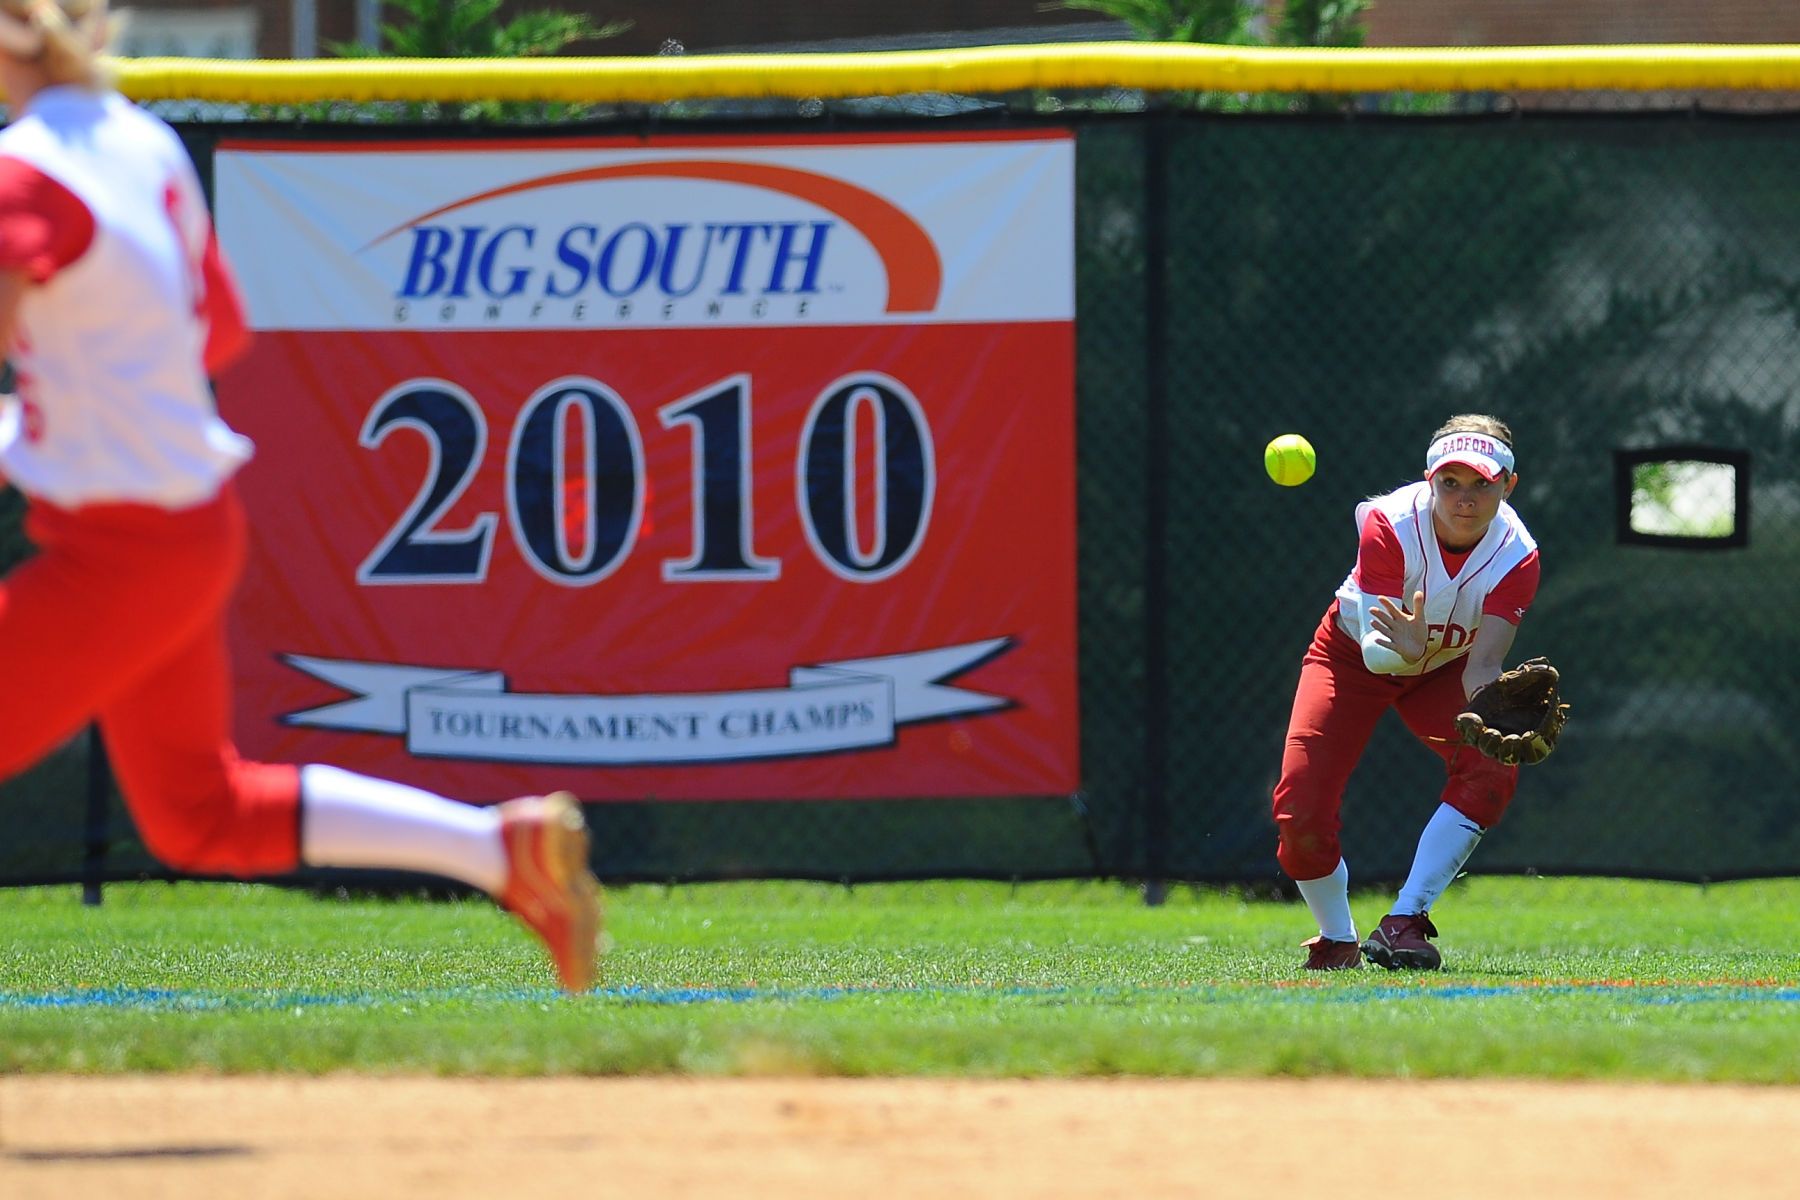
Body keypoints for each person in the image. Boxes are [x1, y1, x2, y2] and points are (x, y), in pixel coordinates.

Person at [0, 0, 601, 992]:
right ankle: (502, 851)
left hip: (123, 550)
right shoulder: (141, 146)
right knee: (201, 814)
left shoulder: (26, 169)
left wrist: (52, 419)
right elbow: (217, 332)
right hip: (186, 527)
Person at [1271, 414, 1540, 971]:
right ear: (1427, 480)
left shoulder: (1518, 554)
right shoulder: (1390, 522)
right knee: (1300, 810)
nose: (1465, 498)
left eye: (1482, 484)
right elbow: (1375, 652)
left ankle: (1404, 921)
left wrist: (1493, 713)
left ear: (1509, 485)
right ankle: (1336, 936)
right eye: (1450, 482)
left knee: (1491, 769)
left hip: (1443, 670)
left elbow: (1483, 666)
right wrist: (1410, 648)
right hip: (1349, 659)